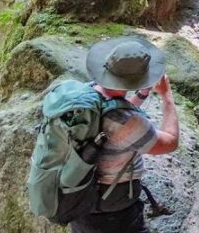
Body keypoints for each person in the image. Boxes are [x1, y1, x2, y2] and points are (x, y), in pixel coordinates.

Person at [71, 36, 179, 233]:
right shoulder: (130, 123)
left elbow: (114, 115)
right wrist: (167, 96)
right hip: (111, 211)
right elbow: (170, 142)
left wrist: (141, 95)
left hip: (75, 198)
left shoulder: (86, 94)